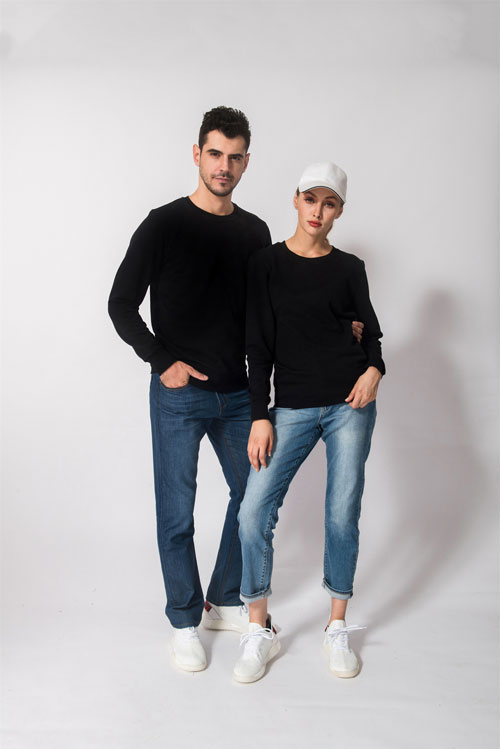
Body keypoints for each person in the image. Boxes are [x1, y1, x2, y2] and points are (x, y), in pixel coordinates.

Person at [109, 110, 364, 674]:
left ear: (246, 162)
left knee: (250, 501)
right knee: (176, 512)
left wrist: (341, 329)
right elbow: (120, 303)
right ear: (197, 155)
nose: (224, 166)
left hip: (240, 397)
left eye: (234, 157)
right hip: (178, 395)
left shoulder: (253, 233)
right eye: (215, 154)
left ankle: (224, 598)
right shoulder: (163, 224)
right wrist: (162, 361)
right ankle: (184, 621)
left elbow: (271, 314)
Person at [233, 161, 384, 683]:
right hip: (292, 406)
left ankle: (336, 625)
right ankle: (259, 629)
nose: (318, 211)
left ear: (339, 210)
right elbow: (257, 346)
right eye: (311, 199)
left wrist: (374, 370)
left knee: (342, 513)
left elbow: (373, 335)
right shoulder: (266, 264)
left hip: (349, 404)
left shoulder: (350, 268)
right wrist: (260, 415)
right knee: (253, 513)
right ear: (296, 200)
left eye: (330, 203)